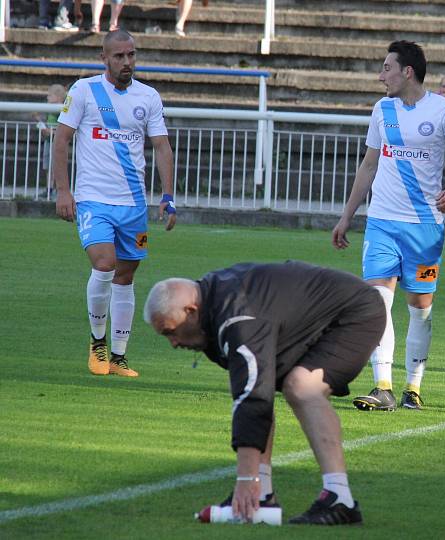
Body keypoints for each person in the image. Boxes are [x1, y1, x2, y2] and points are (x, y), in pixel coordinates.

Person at [143, 261, 386, 525]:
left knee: (301, 387)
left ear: (191, 311)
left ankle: (340, 498)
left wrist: (246, 479)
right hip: (307, 317)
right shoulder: (214, 309)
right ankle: (262, 495)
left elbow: (253, 398)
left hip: (354, 313)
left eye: (171, 331)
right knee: (259, 386)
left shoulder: (237, 318)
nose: (174, 342)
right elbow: (254, 391)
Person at [332, 40, 445, 411]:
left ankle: (413, 387)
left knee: (420, 309)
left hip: (424, 227)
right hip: (381, 223)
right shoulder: (382, 110)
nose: (381, 76)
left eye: (386, 68)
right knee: (377, 304)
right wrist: (347, 216)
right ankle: (383, 386)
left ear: (406, 71)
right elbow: (368, 166)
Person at [53, 29, 177, 378]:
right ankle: (97, 343)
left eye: (131, 55)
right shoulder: (84, 90)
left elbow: (162, 147)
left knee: (126, 275)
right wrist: (64, 191)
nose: (127, 62)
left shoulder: (148, 96)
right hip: (94, 199)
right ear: (104, 58)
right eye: (119, 56)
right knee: (105, 264)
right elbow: (61, 140)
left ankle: (120, 356)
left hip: (133, 205)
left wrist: (167, 197)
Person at [33, 84, 67, 198]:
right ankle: (49, 189)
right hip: (49, 141)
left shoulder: (62, 109)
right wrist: (38, 121)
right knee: (48, 166)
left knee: (56, 166)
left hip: (57, 142)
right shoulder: (49, 109)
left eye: (49, 96)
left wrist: (51, 132)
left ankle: (57, 190)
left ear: (58, 97)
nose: (47, 98)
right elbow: (47, 126)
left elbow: (63, 128)